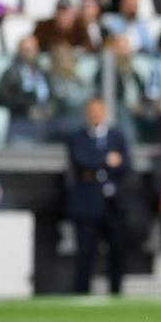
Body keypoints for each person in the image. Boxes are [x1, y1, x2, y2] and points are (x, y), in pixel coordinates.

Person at [67, 98, 130, 295]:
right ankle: (81, 293)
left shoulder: (117, 136)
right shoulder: (77, 137)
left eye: (99, 110)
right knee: (85, 252)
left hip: (112, 203)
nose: (96, 114)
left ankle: (116, 292)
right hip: (86, 202)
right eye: (92, 110)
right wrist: (106, 160)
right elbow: (81, 161)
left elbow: (126, 164)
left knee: (116, 250)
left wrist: (106, 163)